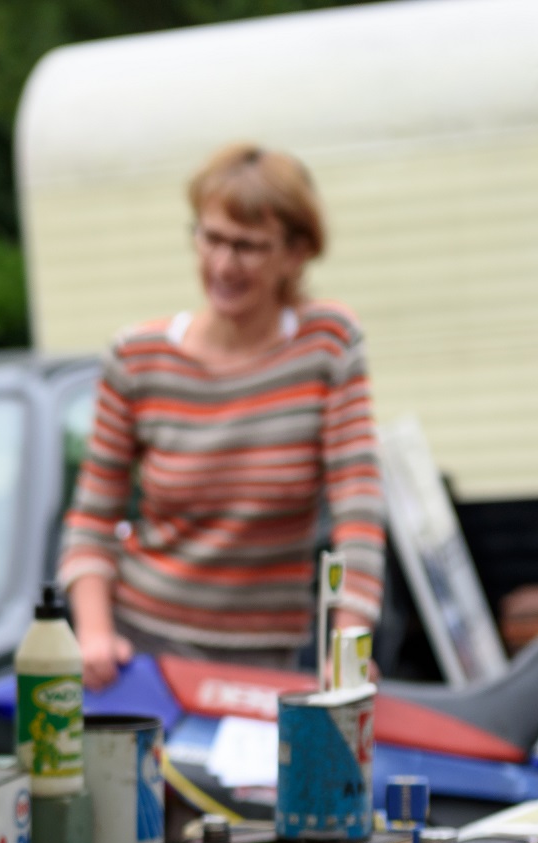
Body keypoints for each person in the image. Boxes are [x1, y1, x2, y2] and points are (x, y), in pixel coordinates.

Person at [57, 145, 385, 689]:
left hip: (263, 662)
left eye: (248, 246)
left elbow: (359, 507)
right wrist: (94, 635)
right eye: (211, 238)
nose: (224, 264)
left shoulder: (328, 345)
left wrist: (349, 644)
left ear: (296, 253)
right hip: (144, 652)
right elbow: (92, 522)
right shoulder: (136, 359)